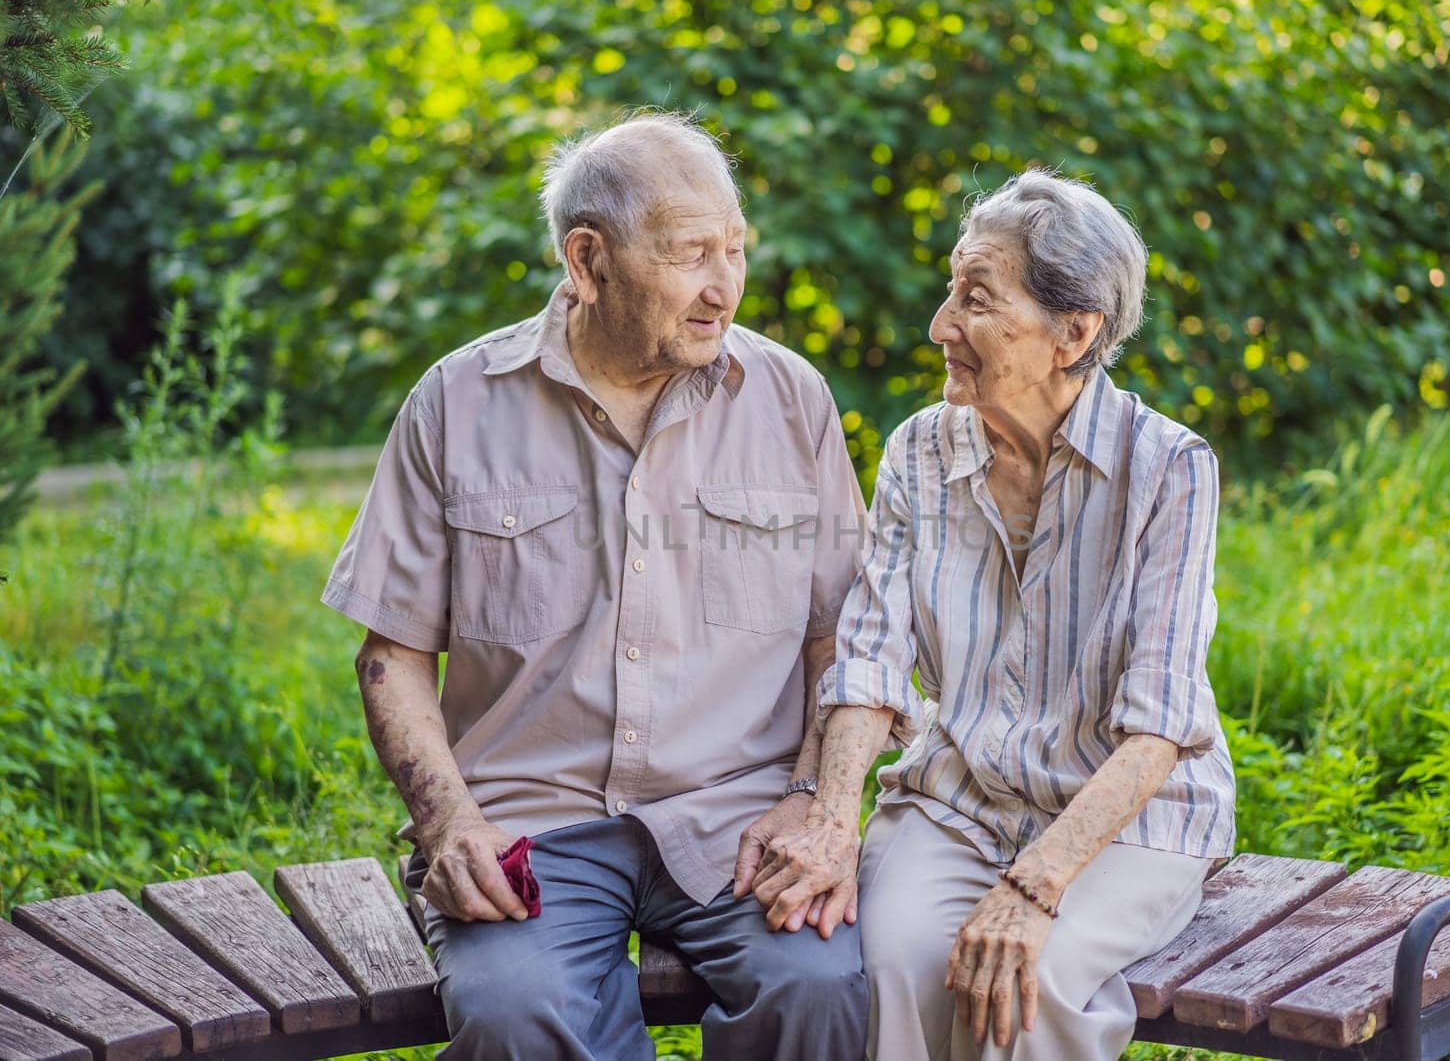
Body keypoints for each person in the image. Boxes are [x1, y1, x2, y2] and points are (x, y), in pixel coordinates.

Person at [322, 111, 869, 1060]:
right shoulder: (456, 402)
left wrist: (819, 798)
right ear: (587, 260)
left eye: (735, 249)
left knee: (821, 986)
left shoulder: (790, 399)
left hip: (741, 819)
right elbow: (393, 655)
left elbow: (845, 636)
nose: (723, 285)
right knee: (514, 1011)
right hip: (531, 819)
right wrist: (448, 819)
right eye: (691, 253)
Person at [749, 169, 1236, 1060]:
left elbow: (1160, 725)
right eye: (949, 291)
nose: (941, 325)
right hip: (961, 797)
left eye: (975, 298)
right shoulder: (918, 450)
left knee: (1022, 983)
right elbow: (867, 656)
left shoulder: (1168, 467)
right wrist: (832, 817)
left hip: (1127, 818)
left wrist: (1038, 884)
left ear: (1074, 332)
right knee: (886, 963)